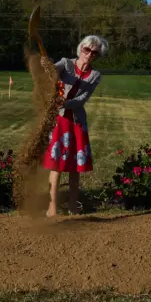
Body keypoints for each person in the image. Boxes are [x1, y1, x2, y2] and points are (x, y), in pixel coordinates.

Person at [41, 35, 108, 217]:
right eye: (87, 50)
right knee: (57, 165)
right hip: (60, 122)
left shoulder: (95, 76)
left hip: (76, 123)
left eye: (95, 52)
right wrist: (47, 66)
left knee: (74, 168)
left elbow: (82, 99)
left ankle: (72, 205)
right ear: (81, 49)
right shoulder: (66, 63)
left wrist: (64, 103)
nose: (90, 54)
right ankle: (52, 207)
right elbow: (52, 71)